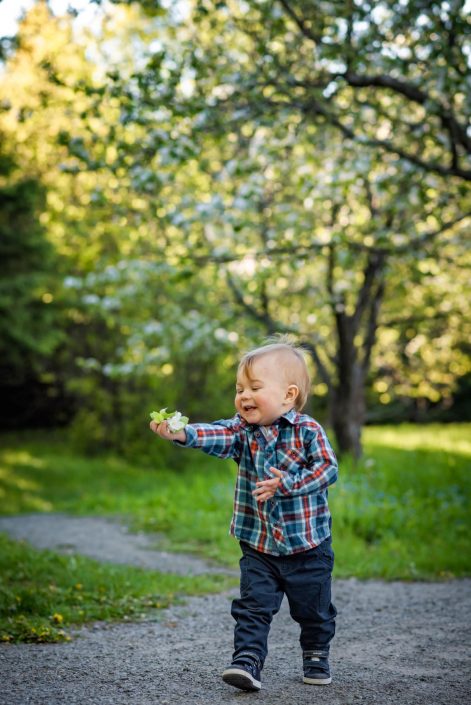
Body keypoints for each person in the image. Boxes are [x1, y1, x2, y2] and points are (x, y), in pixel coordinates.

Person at [149, 337, 338, 692]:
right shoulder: (242, 430)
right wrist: (183, 434)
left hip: (308, 546)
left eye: (254, 387)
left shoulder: (308, 432)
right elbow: (217, 434)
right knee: (252, 607)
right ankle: (247, 660)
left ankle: (315, 652)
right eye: (239, 389)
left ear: (288, 394)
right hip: (259, 544)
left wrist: (289, 483)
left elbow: (329, 470)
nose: (243, 396)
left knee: (314, 610)